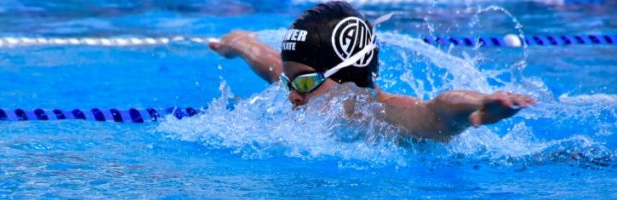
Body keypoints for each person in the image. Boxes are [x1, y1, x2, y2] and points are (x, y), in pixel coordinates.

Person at [209, 1, 535, 142]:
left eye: (305, 82)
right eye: (287, 82)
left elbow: (434, 111)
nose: (292, 95)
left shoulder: (379, 116)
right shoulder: (314, 94)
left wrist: (478, 106)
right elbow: (270, 63)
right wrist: (241, 44)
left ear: (347, 77)